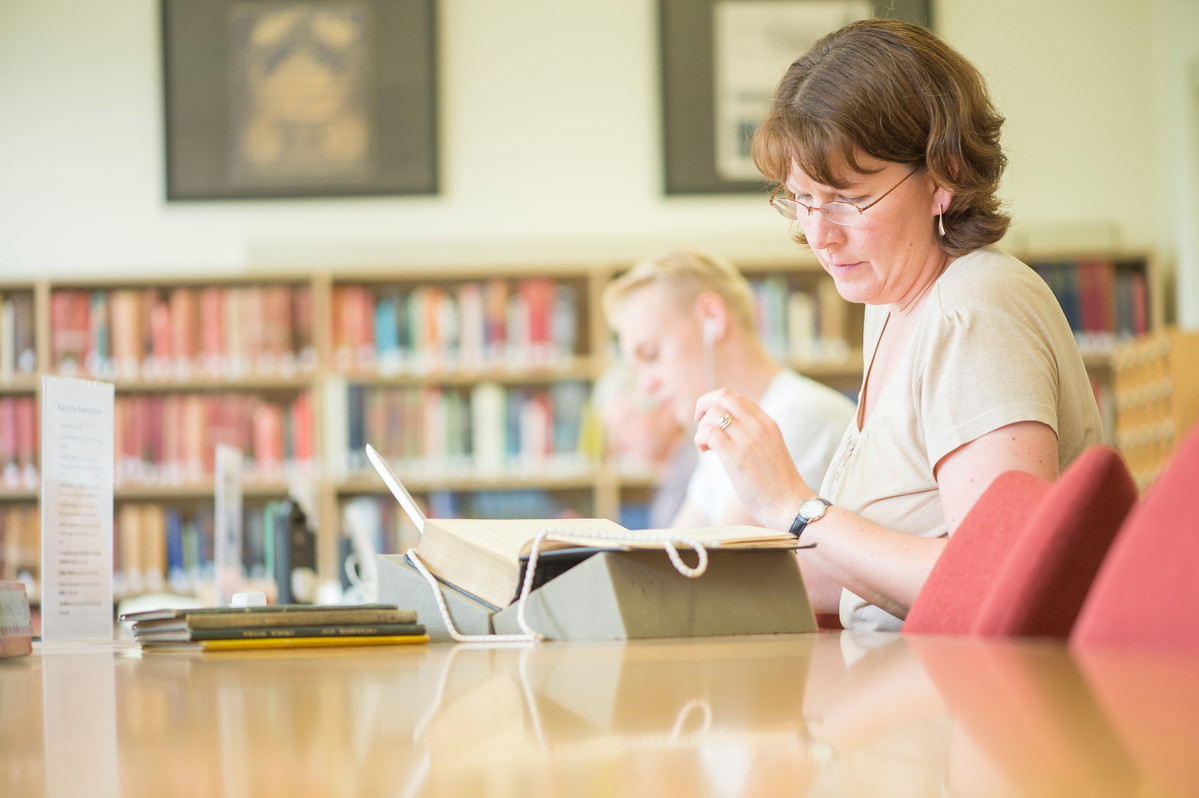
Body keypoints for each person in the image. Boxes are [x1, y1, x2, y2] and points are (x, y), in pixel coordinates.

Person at [692, 18, 1104, 631]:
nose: (820, 236)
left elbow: (999, 582)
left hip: (973, 712)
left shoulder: (973, 310)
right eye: (802, 199)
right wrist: (684, 575)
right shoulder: (889, 303)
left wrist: (792, 504)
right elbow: (874, 568)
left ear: (942, 178)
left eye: (848, 200)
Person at [604, 248, 856, 527]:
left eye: (652, 354)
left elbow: (717, 567)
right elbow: (673, 553)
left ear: (712, 317)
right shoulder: (728, 432)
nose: (646, 386)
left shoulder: (799, 417)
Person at [592, 361, 698, 529]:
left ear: (665, 409)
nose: (616, 443)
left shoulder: (697, 473)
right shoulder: (668, 478)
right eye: (612, 431)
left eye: (626, 423)